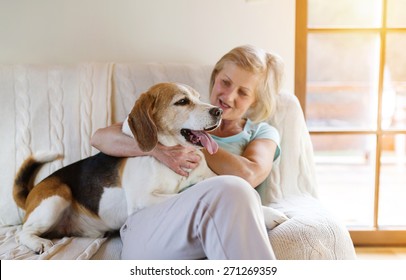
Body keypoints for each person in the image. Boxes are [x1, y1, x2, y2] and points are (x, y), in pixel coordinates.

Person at [91, 45, 284, 259]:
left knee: (234, 188)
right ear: (215, 77)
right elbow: (100, 138)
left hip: (218, 219)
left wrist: (195, 141)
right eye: (225, 82)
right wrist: (160, 149)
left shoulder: (262, 132)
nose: (228, 96)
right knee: (230, 191)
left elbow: (248, 174)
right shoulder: (172, 121)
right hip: (151, 224)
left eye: (243, 92)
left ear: (255, 99)